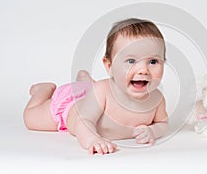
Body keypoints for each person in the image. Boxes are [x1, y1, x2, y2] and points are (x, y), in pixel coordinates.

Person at [23, 18, 168, 155]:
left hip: (89, 93)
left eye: (153, 61)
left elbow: (163, 123)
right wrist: (92, 139)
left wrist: (153, 131)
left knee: (89, 90)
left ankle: (84, 81)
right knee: (30, 118)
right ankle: (42, 91)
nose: (143, 70)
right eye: (131, 61)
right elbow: (83, 121)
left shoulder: (157, 99)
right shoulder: (103, 92)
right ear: (109, 66)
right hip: (70, 107)